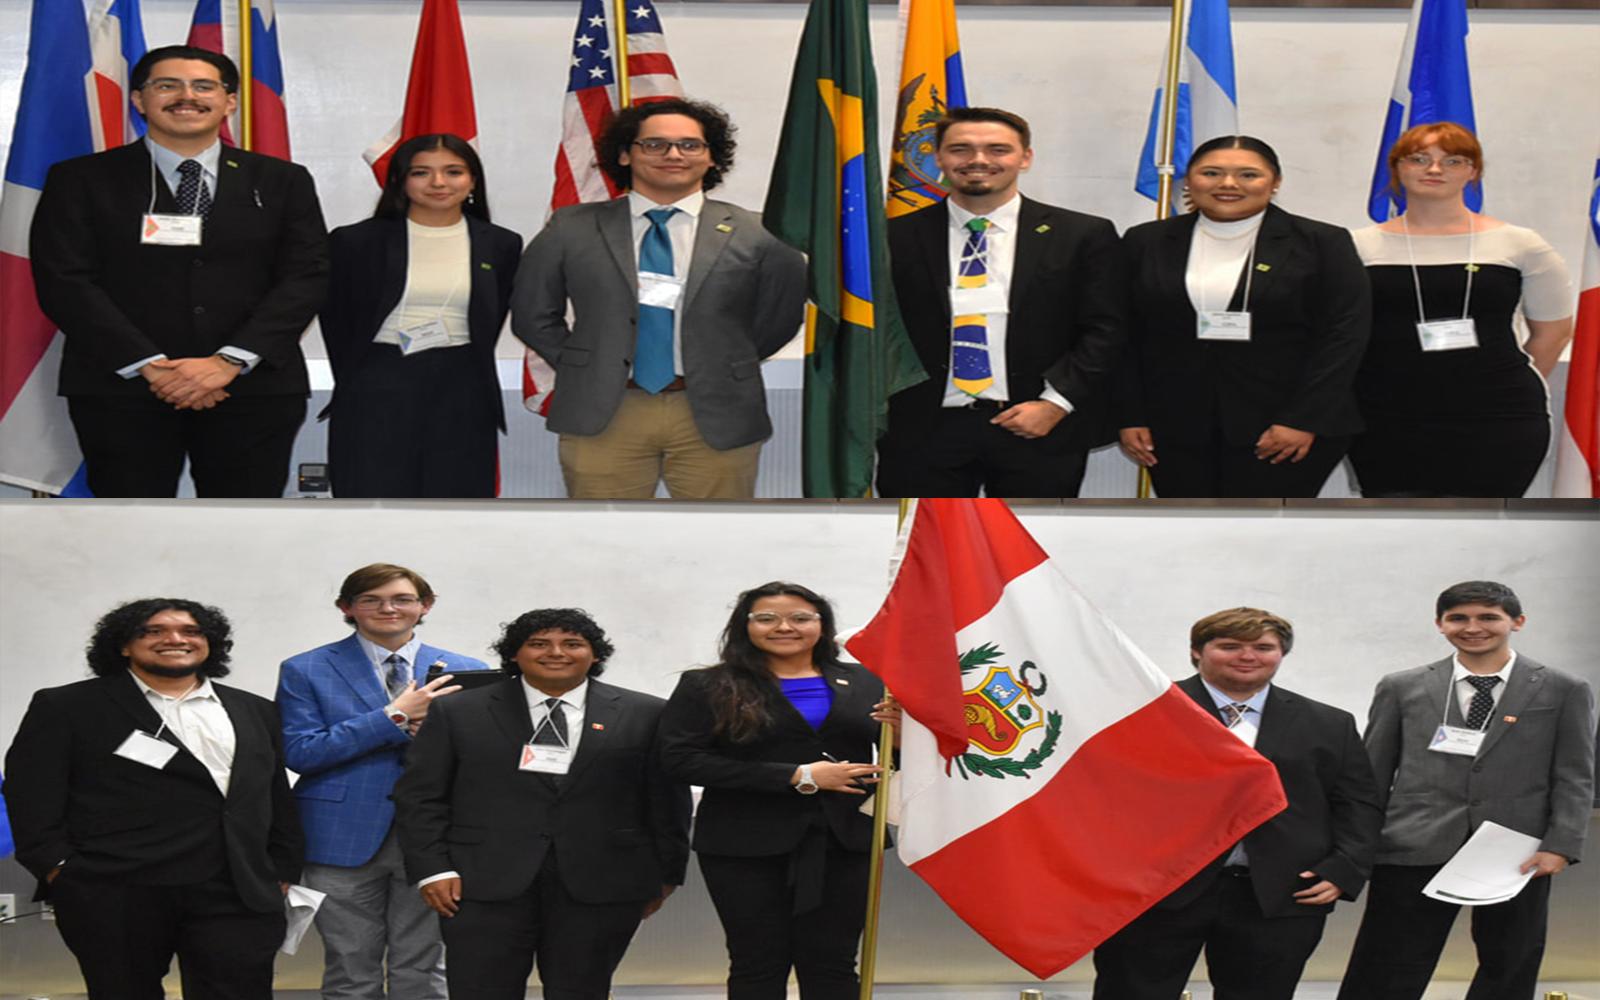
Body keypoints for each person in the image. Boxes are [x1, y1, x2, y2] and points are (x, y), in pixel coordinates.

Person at [29, 44, 328, 498]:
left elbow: (306, 276)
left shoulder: (282, 180)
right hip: (122, 391)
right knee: (131, 534)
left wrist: (228, 361)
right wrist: (152, 367)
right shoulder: (80, 179)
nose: (185, 96)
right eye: (166, 85)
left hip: (251, 390)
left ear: (229, 101)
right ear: (139, 99)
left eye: (203, 86)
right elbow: (64, 279)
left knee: (241, 535)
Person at [2, 599, 302, 1000]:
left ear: (209, 643)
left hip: (236, 888)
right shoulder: (67, 706)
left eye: (191, 631)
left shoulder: (255, 709)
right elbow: (30, 793)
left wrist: (281, 866)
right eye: (153, 631)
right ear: (123, 645)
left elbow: (274, 794)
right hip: (116, 891)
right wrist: (59, 868)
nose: (174, 639)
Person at [513, 98, 806, 499]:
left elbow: (780, 317)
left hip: (716, 412)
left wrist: (724, 357)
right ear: (624, 154)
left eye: (690, 145)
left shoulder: (761, 233)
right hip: (606, 411)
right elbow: (532, 313)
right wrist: (586, 361)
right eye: (654, 144)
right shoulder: (572, 227)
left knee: (717, 542)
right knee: (603, 543)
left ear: (712, 158)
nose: (673, 154)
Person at [393, 609, 690, 1000]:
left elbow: (667, 799)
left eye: (572, 644)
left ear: (595, 655)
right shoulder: (459, 711)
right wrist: (432, 870)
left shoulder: (647, 713)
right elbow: (421, 796)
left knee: (582, 991)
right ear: (514, 654)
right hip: (479, 882)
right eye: (538, 644)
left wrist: (665, 873)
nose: (556, 653)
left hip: (603, 882)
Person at [1092, 607, 1381, 1000]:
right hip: (1156, 892)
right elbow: (1103, 796)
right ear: (1197, 652)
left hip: (1280, 895)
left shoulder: (1329, 724)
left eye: (1263, 647)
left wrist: (1344, 869)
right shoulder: (1143, 712)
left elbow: (1358, 803)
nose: (1248, 656)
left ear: (1281, 654)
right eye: (1229, 646)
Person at [1337, 581, 1596, 1000]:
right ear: (1440, 624)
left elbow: (1575, 775)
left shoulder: (1563, 689)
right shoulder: (1402, 686)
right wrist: (1358, 845)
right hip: (1412, 844)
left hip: (1517, 851)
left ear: (1517, 621)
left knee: (1510, 961)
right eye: (1459, 618)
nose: (1473, 627)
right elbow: (1372, 775)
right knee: (1387, 962)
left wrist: (1561, 845)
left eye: (1488, 617)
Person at [658, 582, 901, 999]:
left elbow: (893, 763)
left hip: (844, 841)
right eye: (767, 618)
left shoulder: (866, 679)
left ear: (822, 626)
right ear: (744, 626)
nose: (784, 627)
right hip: (744, 844)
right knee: (757, 961)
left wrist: (900, 738)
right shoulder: (707, 685)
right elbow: (679, 760)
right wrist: (798, 776)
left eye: (801, 618)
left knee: (834, 962)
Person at [877, 106, 1127, 498]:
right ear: (939, 158)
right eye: (961, 149)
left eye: (997, 149)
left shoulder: (1082, 234)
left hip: (1038, 424)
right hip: (923, 430)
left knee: (1033, 551)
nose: (978, 160)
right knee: (931, 553)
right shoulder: (891, 238)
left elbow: (1107, 330)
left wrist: (1056, 403)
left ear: (1024, 157)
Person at [276, 564, 491, 1000]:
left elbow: (484, 759)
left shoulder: (468, 670)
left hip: (436, 835)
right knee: (351, 967)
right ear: (347, 608)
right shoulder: (306, 668)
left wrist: (432, 736)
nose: (387, 608)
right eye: (371, 600)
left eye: (402, 599)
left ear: (424, 606)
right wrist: (392, 718)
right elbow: (301, 752)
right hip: (338, 835)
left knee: (425, 964)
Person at [1116, 135, 1371, 498]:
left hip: (1284, 429)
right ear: (1188, 180)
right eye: (1211, 173)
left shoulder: (1321, 242)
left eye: (1248, 174)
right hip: (1172, 427)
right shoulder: (1146, 241)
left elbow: (1344, 336)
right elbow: (1125, 335)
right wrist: (1130, 415)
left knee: (1266, 540)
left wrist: (1302, 419)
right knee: (1189, 535)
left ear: (1276, 182)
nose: (1228, 184)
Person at [1349, 122, 1575, 497]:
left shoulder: (1519, 243)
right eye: (1419, 159)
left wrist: (1492, 380)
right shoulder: (1357, 246)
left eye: (1452, 161)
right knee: (1399, 529)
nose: (1434, 170)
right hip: (1386, 415)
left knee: (1485, 533)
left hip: (1498, 415)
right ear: (1397, 169)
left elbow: (1553, 331)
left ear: (1473, 172)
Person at [318, 134, 522, 498]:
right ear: (400, 180)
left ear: (473, 180)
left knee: (457, 499)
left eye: (454, 172)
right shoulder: (355, 241)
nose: (439, 183)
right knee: (371, 494)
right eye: (422, 173)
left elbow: (494, 314)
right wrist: (360, 377)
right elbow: (336, 319)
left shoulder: (502, 243)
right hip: (377, 382)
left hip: (464, 384)